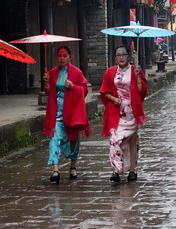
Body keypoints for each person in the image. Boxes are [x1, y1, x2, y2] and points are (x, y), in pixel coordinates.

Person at [100, 45, 148, 183]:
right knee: (114, 139)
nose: (121, 57)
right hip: (116, 111)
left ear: (128, 56)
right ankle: (116, 169)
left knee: (131, 141)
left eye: (124, 54)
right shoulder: (110, 72)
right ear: (115, 58)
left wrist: (137, 77)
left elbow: (142, 92)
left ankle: (132, 170)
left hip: (132, 111)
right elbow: (104, 92)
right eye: (118, 55)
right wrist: (114, 99)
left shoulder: (135, 70)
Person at [43, 46, 90, 183]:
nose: (62, 58)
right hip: (56, 110)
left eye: (64, 56)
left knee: (74, 138)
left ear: (70, 57)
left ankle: (73, 166)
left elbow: (85, 90)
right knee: (54, 137)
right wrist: (47, 82)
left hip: (72, 110)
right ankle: (55, 170)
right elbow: (48, 92)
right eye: (59, 56)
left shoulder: (77, 73)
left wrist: (73, 87)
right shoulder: (52, 72)